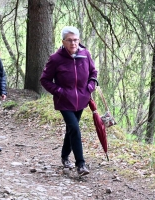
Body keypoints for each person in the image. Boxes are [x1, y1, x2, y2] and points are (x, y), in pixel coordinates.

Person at [40, 26, 98, 176]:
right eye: (70, 40)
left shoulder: (85, 54)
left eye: (76, 40)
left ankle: (65, 156)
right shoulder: (56, 58)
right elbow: (45, 79)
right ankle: (81, 164)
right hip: (64, 101)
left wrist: (91, 85)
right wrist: (59, 91)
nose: (73, 43)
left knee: (72, 128)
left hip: (82, 99)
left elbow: (93, 72)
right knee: (75, 128)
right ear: (63, 42)